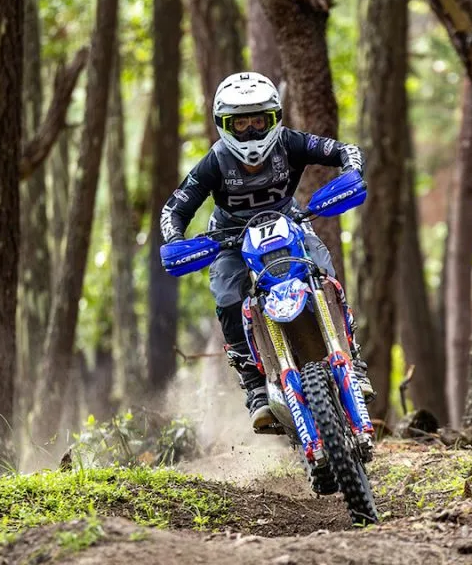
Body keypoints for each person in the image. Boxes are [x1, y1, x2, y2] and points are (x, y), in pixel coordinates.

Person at [160, 72, 374, 431]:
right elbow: (174, 209)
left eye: (258, 121)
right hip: (230, 235)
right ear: (224, 124)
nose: (250, 131)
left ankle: (353, 359)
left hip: (288, 222)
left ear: (273, 118)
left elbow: (344, 150)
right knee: (227, 295)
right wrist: (176, 240)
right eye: (240, 123)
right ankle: (256, 387)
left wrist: (351, 172)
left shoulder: (290, 142)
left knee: (324, 272)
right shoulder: (214, 162)